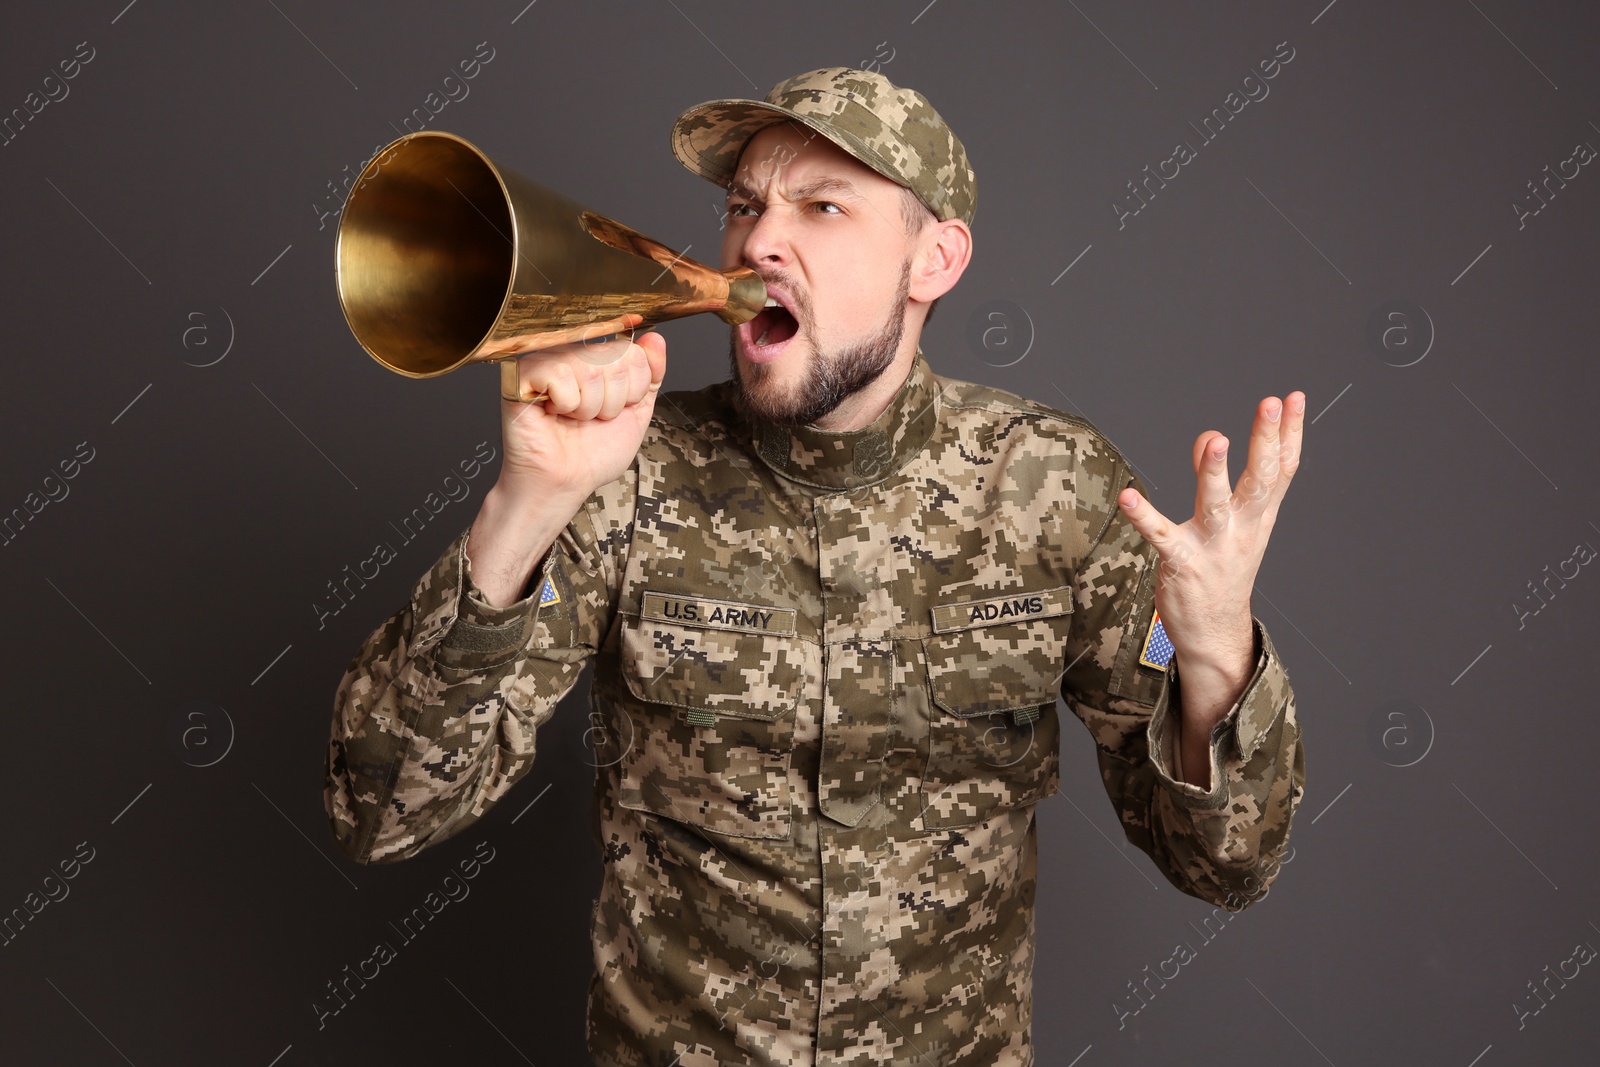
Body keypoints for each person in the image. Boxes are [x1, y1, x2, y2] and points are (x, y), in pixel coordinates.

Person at [324, 66, 1307, 1066]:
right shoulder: (626, 470)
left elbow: (1226, 865)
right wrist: (526, 500)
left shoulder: (1053, 484)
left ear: (935, 259)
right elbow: (382, 811)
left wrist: (1219, 652)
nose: (756, 242)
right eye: (744, 207)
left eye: (822, 206)